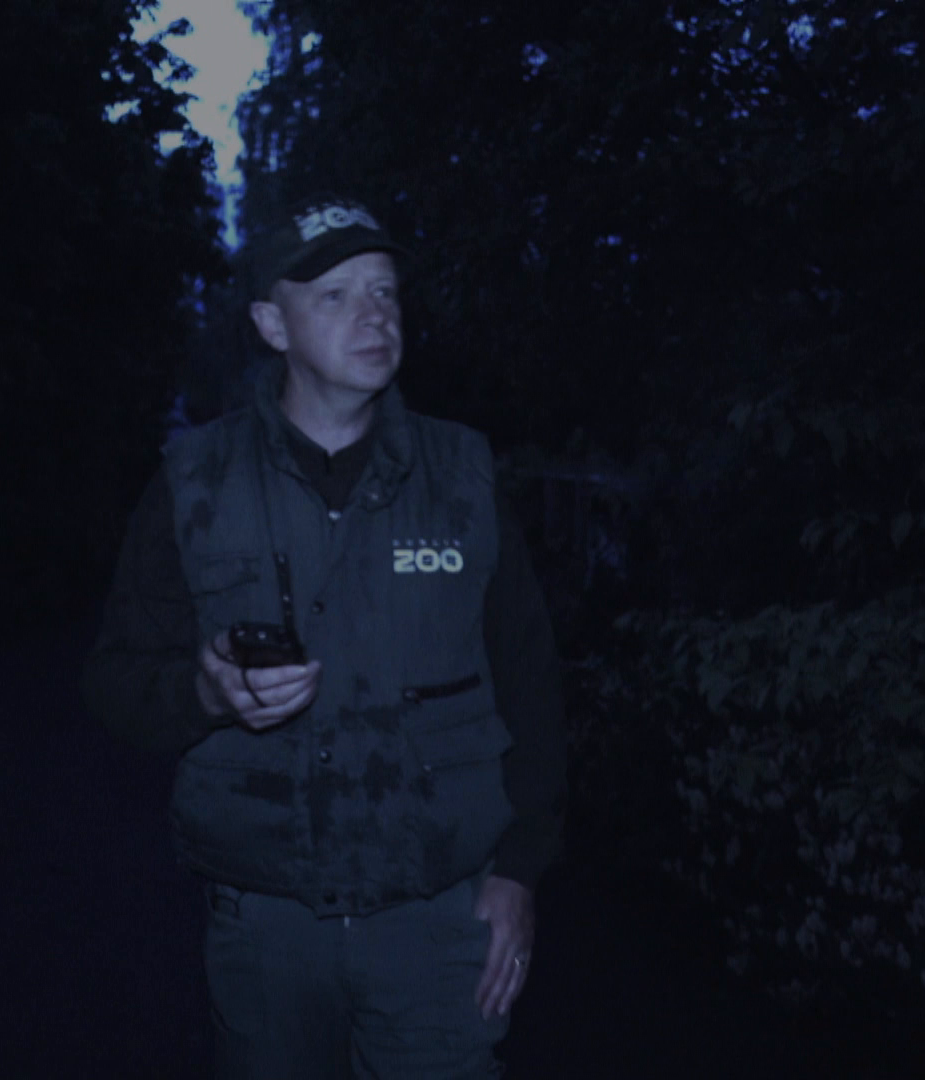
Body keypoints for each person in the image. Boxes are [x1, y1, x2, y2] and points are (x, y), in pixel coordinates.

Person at [80, 194, 567, 1079]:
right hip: (265, 929)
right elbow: (114, 682)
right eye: (335, 295)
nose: (373, 315)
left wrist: (520, 871)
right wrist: (204, 693)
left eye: (384, 291)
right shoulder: (195, 481)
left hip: (438, 921)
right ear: (273, 325)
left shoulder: (462, 477)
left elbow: (531, 682)